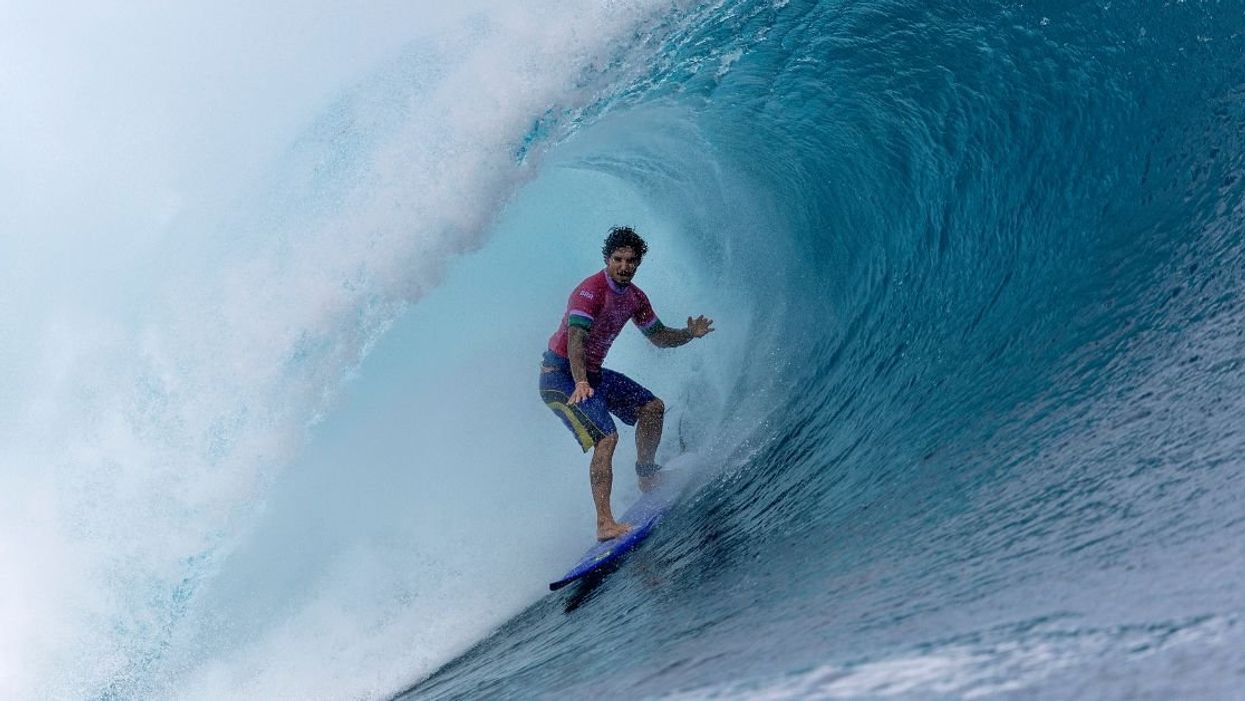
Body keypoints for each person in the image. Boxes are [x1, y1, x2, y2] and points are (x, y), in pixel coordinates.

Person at [540, 227, 714, 541]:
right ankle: (605, 524)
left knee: (652, 407)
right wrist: (580, 381)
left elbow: (659, 337)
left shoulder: (635, 298)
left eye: (631, 260)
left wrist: (689, 334)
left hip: (591, 376)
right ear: (607, 259)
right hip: (560, 376)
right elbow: (575, 341)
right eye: (618, 259)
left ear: (638, 262)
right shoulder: (590, 291)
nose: (624, 266)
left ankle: (647, 476)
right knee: (607, 437)